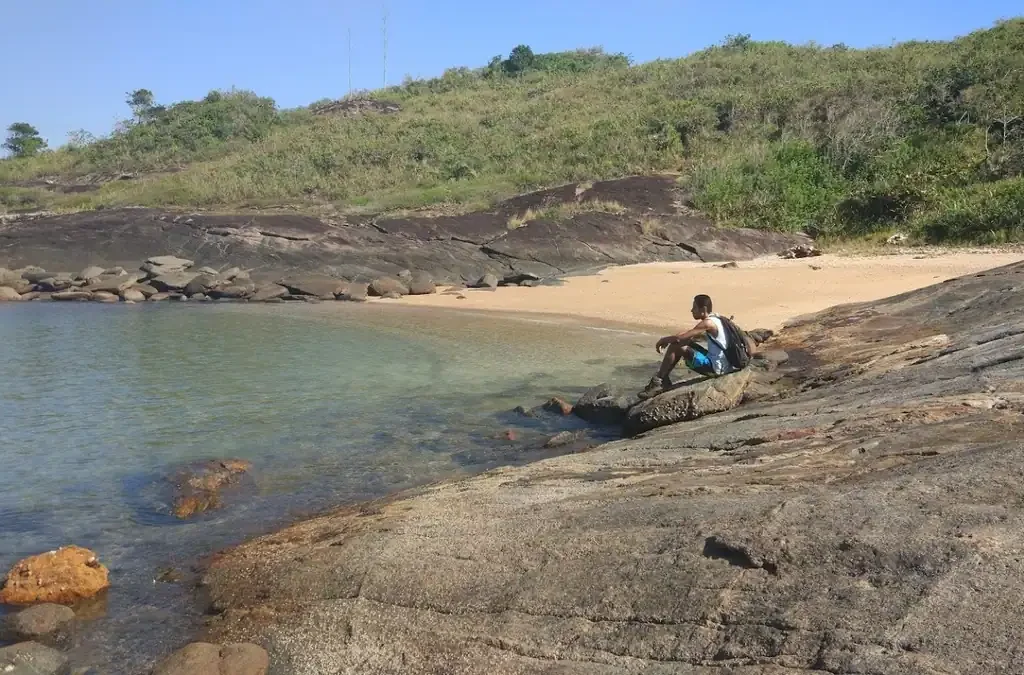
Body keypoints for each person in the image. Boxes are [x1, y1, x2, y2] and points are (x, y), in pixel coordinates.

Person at [640, 294, 732, 396]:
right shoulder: (717, 319)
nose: (692, 310)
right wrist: (677, 338)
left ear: (703, 309)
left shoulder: (707, 323)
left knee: (677, 346)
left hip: (716, 369)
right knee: (680, 339)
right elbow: (688, 336)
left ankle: (659, 381)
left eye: (694, 307)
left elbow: (680, 339)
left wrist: (664, 340)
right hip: (723, 365)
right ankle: (663, 378)